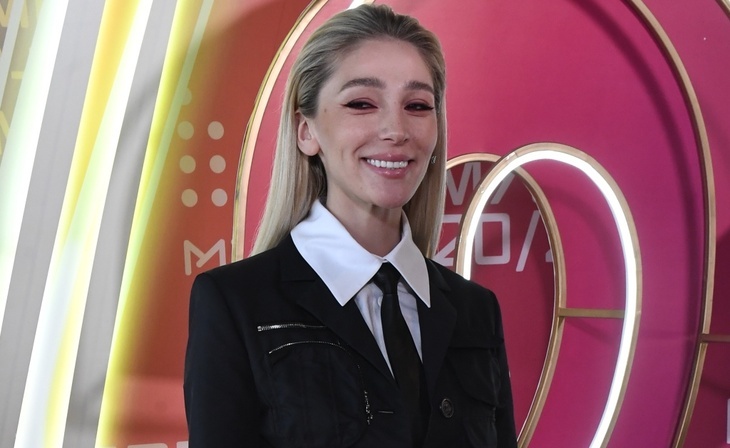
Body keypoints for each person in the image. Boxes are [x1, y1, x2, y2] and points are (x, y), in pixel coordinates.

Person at [184, 4, 517, 447]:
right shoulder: (234, 303)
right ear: (306, 131)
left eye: (417, 105)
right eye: (362, 103)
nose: (396, 129)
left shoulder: (476, 309)